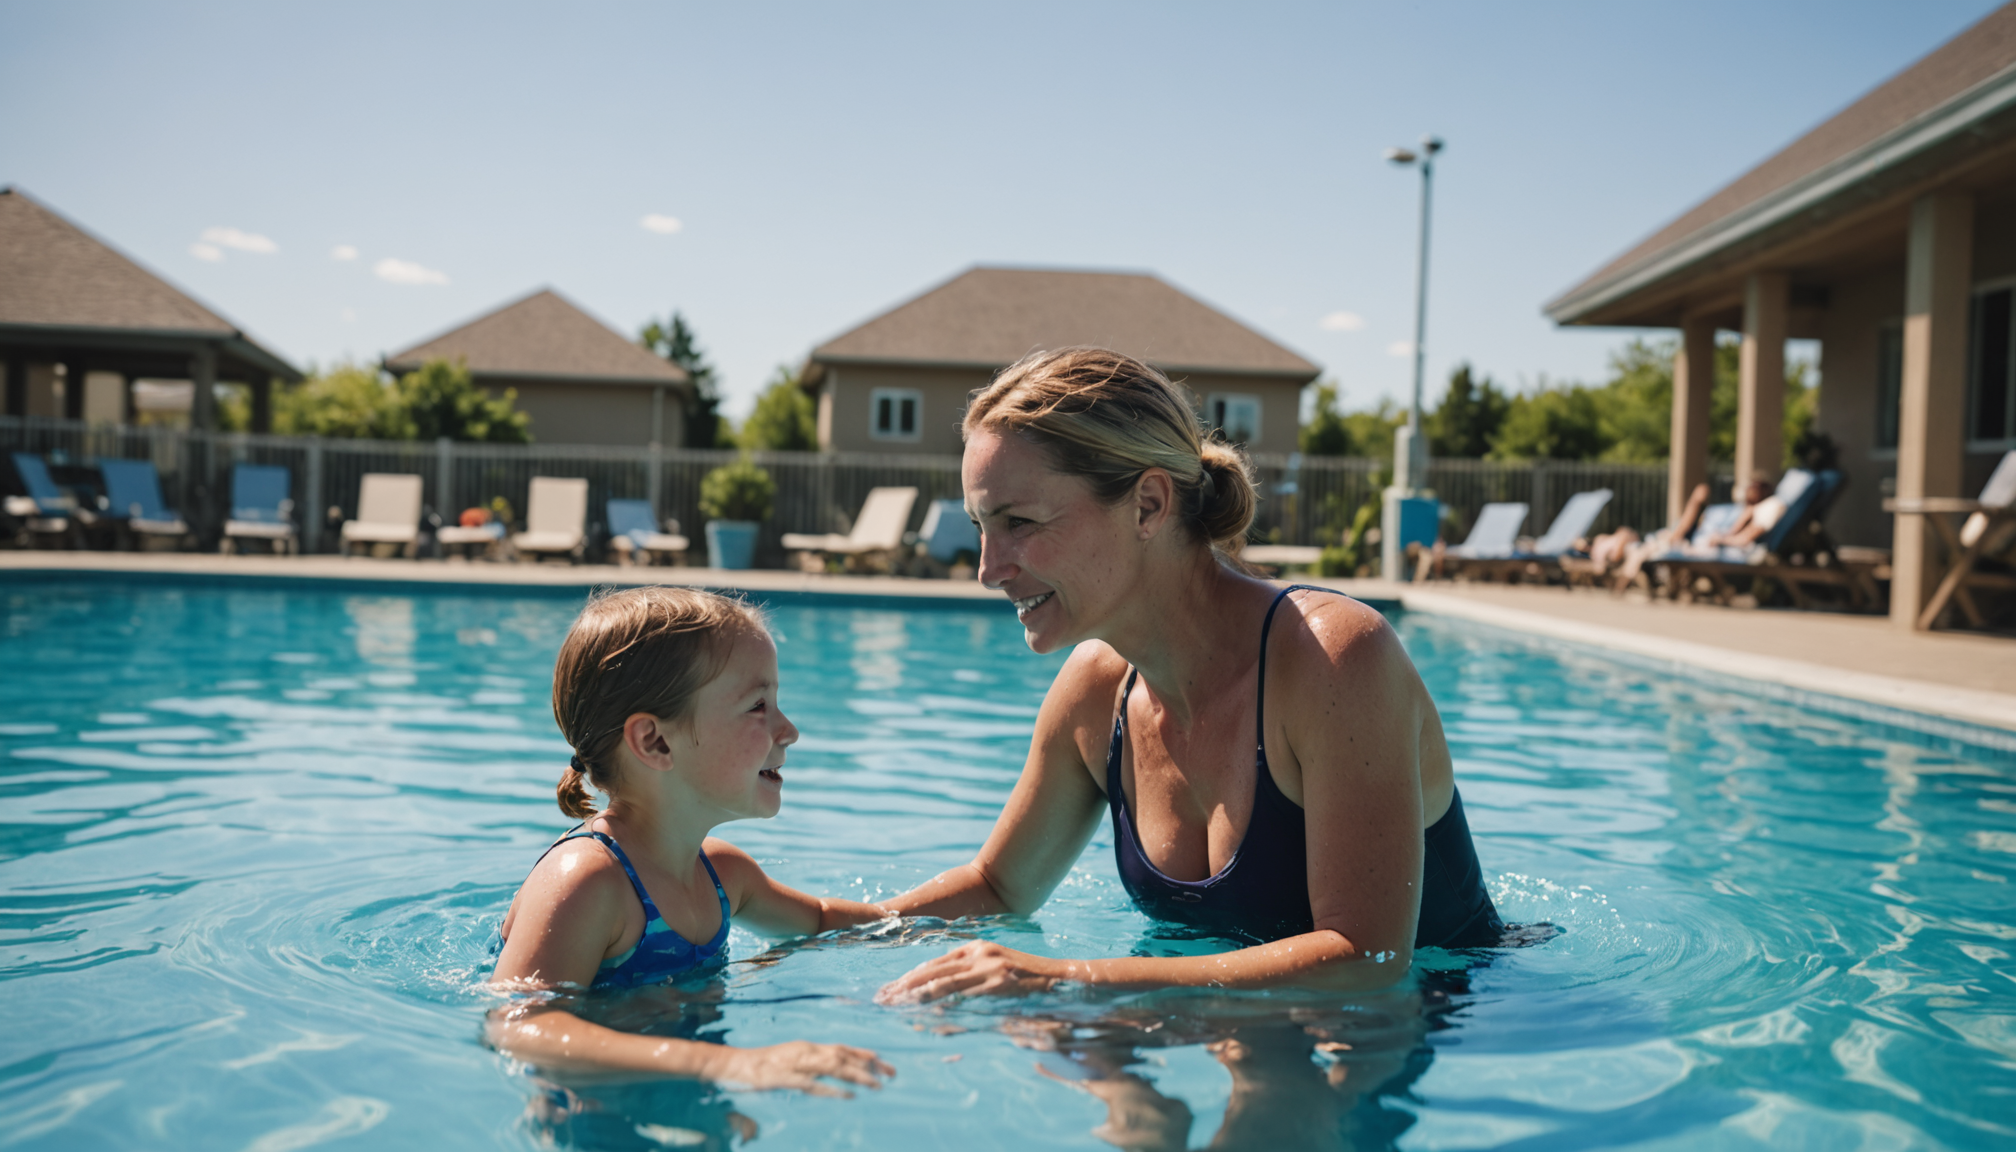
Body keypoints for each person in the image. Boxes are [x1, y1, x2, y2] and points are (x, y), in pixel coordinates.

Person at [874, 348, 1503, 1007]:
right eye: (981, 526)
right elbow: (998, 888)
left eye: (1019, 523)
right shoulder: (1096, 692)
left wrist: (1067, 980)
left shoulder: (1334, 660)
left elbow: (1365, 959)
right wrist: (816, 920)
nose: (988, 569)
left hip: (1462, 1017)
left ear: (1148, 505)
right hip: (1257, 1022)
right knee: (1084, 1041)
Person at [489, 586, 895, 1096]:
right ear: (655, 741)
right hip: (590, 1115)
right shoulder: (588, 881)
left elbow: (821, 922)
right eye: (758, 706)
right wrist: (720, 1063)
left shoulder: (723, 876)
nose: (789, 730)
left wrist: (957, 913)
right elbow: (517, 1025)